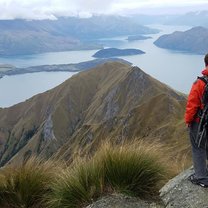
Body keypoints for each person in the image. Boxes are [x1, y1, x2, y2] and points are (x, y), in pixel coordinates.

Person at [185, 53, 208, 188]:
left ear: (205, 63)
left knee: (198, 147)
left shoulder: (200, 83)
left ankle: (201, 177)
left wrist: (188, 121)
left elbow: (192, 105)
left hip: (200, 123)